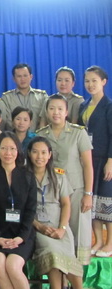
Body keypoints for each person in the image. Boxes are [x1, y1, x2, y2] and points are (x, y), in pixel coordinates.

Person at [37, 94, 93, 264]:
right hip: (52, 193)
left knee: (79, 234)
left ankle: (78, 277)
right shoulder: (41, 135)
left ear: (66, 111)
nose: (56, 112)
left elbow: (88, 165)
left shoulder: (78, 133)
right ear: (46, 111)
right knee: (57, 233)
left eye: (60, 109)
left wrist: (88, 193)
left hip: (76, 191)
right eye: (52, 108)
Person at [27, 136, 84, 289]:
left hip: (59, 226)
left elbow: (66, 204)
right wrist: (39, 227)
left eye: (44, 152)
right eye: (35, 152)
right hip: (37, 227)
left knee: (70, 262)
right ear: (29, 153)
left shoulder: (58, 175)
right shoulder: (23, 176)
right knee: (53, 254)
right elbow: (22, 209)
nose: (40, 157)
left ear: (50, 154)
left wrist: (62, 229)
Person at [0, 132, 37, 289]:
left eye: (12, 148)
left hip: (22, 234)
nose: (8, 153)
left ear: (18, 151)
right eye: (4, 148)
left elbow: (30, 210)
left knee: (13, 267)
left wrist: (21, 237)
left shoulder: (27, 176)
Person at [78, 66, 112, 257]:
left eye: (94, 81)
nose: (90, 85)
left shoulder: (109, 106)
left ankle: (110, 243)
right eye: (87, 81)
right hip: (89, 160)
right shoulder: (84, 105)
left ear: (103, 82)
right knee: (94, 202)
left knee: (107, 202)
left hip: (104, 159)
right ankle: (98, 241)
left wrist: (111, 160)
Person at [2, 63, 48, 131]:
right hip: (14, 138)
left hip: (37, 137)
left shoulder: (42, 96)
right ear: (14, 79)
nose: (22, 79)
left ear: (31, 77)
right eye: (19, 76)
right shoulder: (7, 98)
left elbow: (45, 119)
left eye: (25, 75)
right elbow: (7, 121)